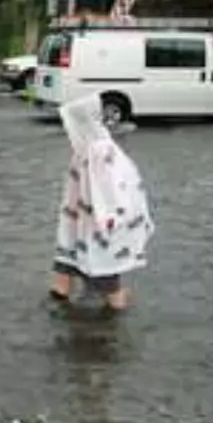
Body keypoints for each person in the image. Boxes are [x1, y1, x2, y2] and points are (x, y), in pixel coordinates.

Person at [51, 95, 153, 310]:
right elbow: (111, 186)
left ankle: (67, 310)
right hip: (87, 221)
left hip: (88, 223)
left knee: (81, 268)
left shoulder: (94, 149)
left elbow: (107, 187)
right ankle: (110, 312)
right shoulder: (93, 147)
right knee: (89, 269)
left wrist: (110, 216)